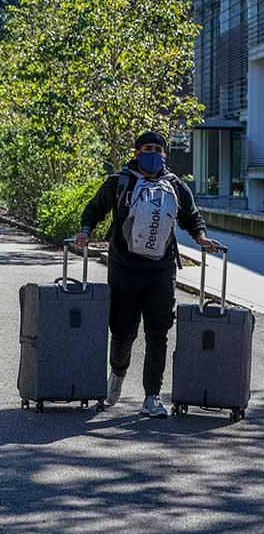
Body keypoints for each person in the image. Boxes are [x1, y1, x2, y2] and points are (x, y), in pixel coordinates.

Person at [76, 131, 220, 418]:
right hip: (124, 269)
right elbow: (95, 208)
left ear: (165, 154)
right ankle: (116, 378)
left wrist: (201, 237)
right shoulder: (120, 182)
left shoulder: (175, 185)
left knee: (158, 333)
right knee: (122, 331)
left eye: (158, 149)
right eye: (147, 148)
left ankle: (151, 396)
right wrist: (85, 231)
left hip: (161, 271)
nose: (153, 153)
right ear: (137, 152)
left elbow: (191, 216)